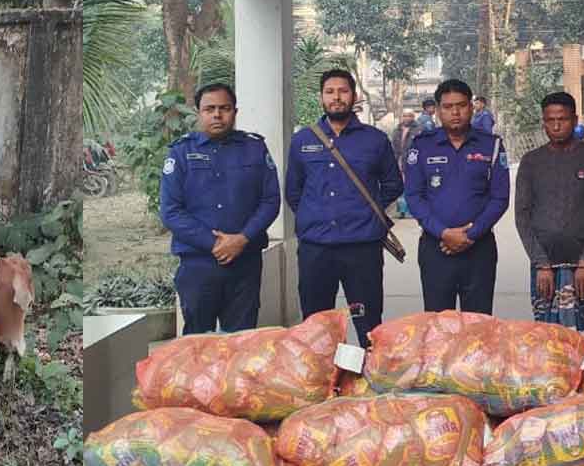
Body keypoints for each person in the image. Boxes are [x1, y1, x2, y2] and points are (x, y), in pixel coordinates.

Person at [286, 70, 403, 346]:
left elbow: (393, 184)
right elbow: (293, 190)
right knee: (316, 325)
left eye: (343, 91)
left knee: (369, 323)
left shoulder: (375, 140)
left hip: (362, 247)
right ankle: (322, 383)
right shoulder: (303, 140)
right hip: (316, 247)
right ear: (321, 97)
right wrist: (314, 214)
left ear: (354, 96)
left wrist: (364, 210)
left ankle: (368, 380)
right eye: (330, 92)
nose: (336, 97)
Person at [160, 83, 279, 334]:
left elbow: (270, 201)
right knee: (197, 345)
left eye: (224, 108)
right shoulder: (181, 152)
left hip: (244, 263)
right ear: (198, 113)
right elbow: (171, 210)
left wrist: (242, 239)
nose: (217, 115)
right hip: (198, 264)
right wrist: (215, 244)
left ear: (235, 111)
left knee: (242, 342)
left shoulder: (254, 148)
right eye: (209, 109)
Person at [404, 79, 510, 314]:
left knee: (479, 327)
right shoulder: (422, 146)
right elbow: (413, 196)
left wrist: (470, 235)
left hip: (479, 249)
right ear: (438, 110)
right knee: (438, 326)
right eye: (448, 106)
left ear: (471, 108)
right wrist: (444, 233)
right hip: (436, 248)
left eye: (461, 105)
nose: (455, 112)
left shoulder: (490, 145)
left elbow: (500, 198)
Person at [515, 92, 584, 337]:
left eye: (563, 119)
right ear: (543, 122)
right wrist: (541, 263)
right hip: (544, 269)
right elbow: (522, 216)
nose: (556, 126)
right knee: (547, 339)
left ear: (575, 119)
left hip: (583, 268)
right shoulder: (531, 162)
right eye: (550, 120)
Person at [391, 109, 418, 218]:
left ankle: (411, 210)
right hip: (399, 161)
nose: (407, 118)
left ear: (413, 117)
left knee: (411, 186)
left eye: (409, 116)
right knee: (400, 186)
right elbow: (393, 146)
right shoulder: (397, 130)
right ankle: (401, 211)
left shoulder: (418, 129)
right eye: (405, 116)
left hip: (413, 162)